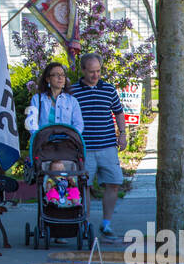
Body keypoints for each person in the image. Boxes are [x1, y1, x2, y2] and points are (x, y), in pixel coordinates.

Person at [70, 53, 127, 239]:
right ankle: (85, 222)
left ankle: (106, 223)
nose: (95, 75)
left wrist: (123, 134)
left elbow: (118, 112)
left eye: (98, 71)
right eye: (92, 71)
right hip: (84, 148)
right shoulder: (73, 91)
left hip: (108, 146)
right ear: (83, 70)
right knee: (83, 185)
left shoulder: (109, 89)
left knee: (114, 183)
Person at [24, 61, 84, 135]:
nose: (60, 78)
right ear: (48, 79)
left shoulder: (72, 101)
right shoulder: (36, 99)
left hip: (66, 144)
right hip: (43, 143)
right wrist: (39, 138)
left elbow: (79, 124)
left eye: (63, 75)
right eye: (56, 75)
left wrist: (70, 138)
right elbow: (31, 123)